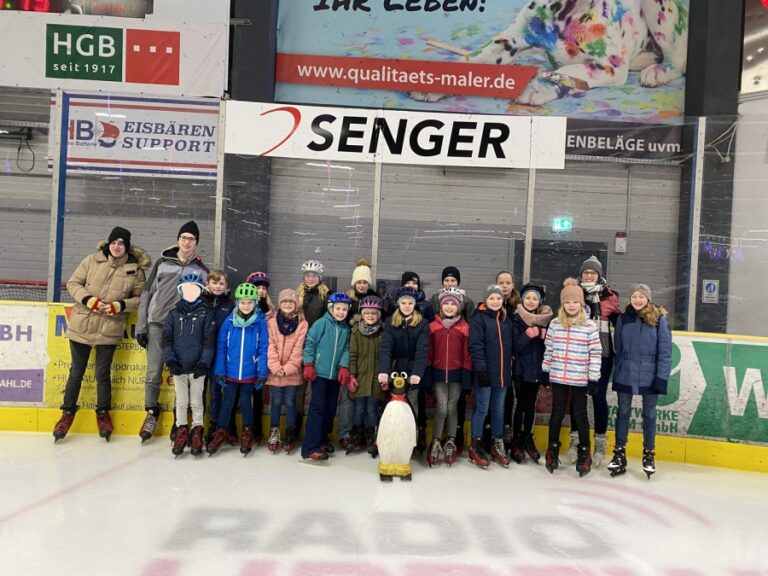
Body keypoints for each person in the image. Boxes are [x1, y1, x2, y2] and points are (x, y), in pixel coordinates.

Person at [53, 226, 149, 442]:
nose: (117, 246)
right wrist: (89, 300)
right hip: (82, 326)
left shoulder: (135, 270)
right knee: (76, 372)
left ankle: (103, 413)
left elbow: (140, 299)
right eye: (114, 242)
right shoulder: (91, 261)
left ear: (127, 246)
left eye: (121, 243)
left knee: (102, 374)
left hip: (109, 327)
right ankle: (67, 412)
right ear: (108, 244)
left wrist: (119, 305)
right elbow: (73, 283)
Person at [136, 220, 208, 443]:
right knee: (154, 371)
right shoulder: (161, 263)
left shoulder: (201, 270)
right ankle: (151, 413)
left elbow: (203, 300)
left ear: (196, 243)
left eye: (192, 239)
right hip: (157, 323)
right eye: (184, 237)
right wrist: (142, 325)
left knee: (182, 374)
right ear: (178, 240)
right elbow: (147, 295)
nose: (187, 242)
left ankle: (181, 423)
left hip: (184, 328)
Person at [607, 283, 672, 479]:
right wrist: (620, 370)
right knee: (623, 412)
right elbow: (617, 347)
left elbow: (665, 352)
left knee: (650, 415)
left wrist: (661, 378)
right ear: (630, 298)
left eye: (641, 296)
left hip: (650, 375)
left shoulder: (658, 319)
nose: (637, 299)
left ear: (648, 298)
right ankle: (619, 453)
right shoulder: (623, 319)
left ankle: (649, 454)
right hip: (626, 373)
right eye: (634, 296)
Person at [542, 279, 602, 476]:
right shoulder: (555, 324)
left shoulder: (589, 326)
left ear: (581, 303)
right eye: (567, 302)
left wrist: (593, 378)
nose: (571, 305)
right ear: (562, 304)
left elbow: (595, 353)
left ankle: (584, 452)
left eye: (575, 302)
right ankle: (553, 449)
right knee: (557, 413)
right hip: (559, 375)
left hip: (579, 378)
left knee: (580, 415)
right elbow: (549, 348)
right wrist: (546, 370)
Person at [566, 255, 621, 467]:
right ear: (581, 274)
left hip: (603, 353)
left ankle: (599, 441)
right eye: (586, 272)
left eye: (593, 272)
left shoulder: (609, 297)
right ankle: (576, 440)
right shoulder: (574, 294)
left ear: (599, 275)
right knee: (576, 397)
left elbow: (621, 323)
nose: (589, 275)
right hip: (578, 352)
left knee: (598, 397)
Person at [207, 283, 269, 457]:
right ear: (237, 303)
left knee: (246, 404)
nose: (246, 306)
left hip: (250, 373)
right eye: (242, 302)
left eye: (249, 302)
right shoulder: (229, 321)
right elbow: (221, 347)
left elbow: (263, 348)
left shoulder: (260, 323)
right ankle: (221, 430)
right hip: (230, 372)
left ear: (255, 303)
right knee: (227, 403)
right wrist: (220, 370)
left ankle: (247, 432)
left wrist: (262, 371)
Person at [162, 271, 216, 457]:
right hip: (179, 367)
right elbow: (167, 340)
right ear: (181, 290)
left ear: (200, 290)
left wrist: (203, 364)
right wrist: (170, 361)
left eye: (194, 288)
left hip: (197, 368)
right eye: (186, 288)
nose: (190, 292)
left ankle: (197, 430)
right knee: (182, 401)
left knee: (196, 401)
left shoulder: (206, 314)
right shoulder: (173, 314)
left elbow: (209, 342)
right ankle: (181, 430)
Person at [301, 292, 354, 461]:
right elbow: (310, 343)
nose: (340, 312)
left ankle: (322, 439)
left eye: (344, 309)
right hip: (319, 374)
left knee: (330, 408)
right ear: (331, 308)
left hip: (334, 376)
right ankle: (310, 447)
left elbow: (346, 348)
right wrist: (309, 363)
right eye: (337, 308)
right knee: (317, 408)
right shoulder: (322, 323)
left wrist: (344, 367)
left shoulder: (345, 328)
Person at [468, 285, 513, 468]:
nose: (495, 301)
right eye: (492, 298)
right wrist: (481, 371)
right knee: (482, 409)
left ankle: (496, 443)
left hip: (503, 375)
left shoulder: (506, 319)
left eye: (498, 298)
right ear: (486, 300)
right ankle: (476, 444)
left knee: (499, 410)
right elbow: (476, 347)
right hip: (485, 374)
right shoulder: (479, 319)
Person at [426, 287, 472, 467]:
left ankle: (451, 440)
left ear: (459, 307)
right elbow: (429, 353)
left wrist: (466, 378)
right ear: (441, 306)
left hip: (457, 375)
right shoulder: (433, 327)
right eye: (447, 303)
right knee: (442, 408)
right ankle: (436, 441)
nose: (450, 306)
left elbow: (467, 355)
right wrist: (428, 376)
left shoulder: (464, 327)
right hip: (438, 374)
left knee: (452, 408)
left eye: (454, 303)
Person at [378, 286, 430, 442]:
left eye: (410, 303)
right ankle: (385, 437)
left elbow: (422, 351)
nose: (407, 306)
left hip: (412, 369)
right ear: (398, 304)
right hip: (395, 367)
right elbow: (386, 348)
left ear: (414, 305)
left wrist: (417, 373)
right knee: (391, 402)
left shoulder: (422, 323)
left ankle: (411, 437)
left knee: (412, 401)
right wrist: (384, 371)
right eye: (403, 303)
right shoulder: (390, 322)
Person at [510, 283, 553, 464]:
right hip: (520, 370)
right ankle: (516, 439)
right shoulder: (516, 318)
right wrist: (528, 335)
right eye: (527, 297)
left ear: (540, 302)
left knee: (530, 406)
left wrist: (544, 337)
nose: (530, 301)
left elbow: (550, 348)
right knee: (520, 404)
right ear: (522, 299)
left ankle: (528, 436)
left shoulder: (546, 320)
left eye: (534, 298)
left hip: (536, 369)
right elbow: (514, 346)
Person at [339, 259, 376, 450]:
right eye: (359, 282)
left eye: (364, 282)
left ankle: (368, 432)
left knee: (368, 404)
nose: (361, 285)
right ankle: (350, 432)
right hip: (350, 349)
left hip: (367, 356)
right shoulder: (347, 300)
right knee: (351, 399)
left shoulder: (375, 300)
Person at [266, 288, 308, 455]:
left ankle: (291, 432)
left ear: (296, 304)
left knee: (291, 402)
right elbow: (270, 346)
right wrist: (276, 367)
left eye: (291, 302)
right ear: (279, 304)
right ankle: (274, 431)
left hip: (293, 373)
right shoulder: (271, 323)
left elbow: (299, 348)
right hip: (274, 372)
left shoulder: (302, 324)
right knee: (275, 402)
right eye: (284, 302)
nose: (288, 304)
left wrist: (289, 368)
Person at [296, 259, 330, 442]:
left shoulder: (325, 295)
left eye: (314, 275)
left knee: (318, 394)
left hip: (318, 348)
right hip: (300, 347)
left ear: (320, 277)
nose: (310, 278)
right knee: (299, 391)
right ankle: (295, 429)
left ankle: (319, 433)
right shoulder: (298, 294)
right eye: (307, 275)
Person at [347, 295, 385, 455]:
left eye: (374, 314)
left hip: (376, 378)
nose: (370, 316)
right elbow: (352, 355)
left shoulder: (383, 332)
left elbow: (386, 356)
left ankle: (371, 434)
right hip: (361, 378)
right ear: (362, 314)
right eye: (367, 313)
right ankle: (357, 434)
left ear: (379, 315)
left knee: (371, 409)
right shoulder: (356, 331)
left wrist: (385, 377)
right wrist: (352, 376)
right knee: (359, 409)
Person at [200, 270, 235, 444]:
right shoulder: (198, 300)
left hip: (219, 354)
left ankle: (215, 426)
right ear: (207, 283)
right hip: (199, 353)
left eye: (221, 283)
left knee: (215, 392)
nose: (218, 286)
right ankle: (195, 427)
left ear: (226, 286)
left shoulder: (230, 305)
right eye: (214, 283)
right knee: (198, 391)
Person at [246, 270, 274, 444]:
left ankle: (256, 429)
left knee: (257, 396)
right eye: (257, 287)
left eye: (263, 288)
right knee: (241, 396)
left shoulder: (271, 311)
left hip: (261, 359)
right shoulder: (245, 310)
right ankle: (239, 429)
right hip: (245, 358)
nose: (261, 291)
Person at [496, 270, 522, 452]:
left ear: (513, 285)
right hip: (496, 360)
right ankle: (492, 432)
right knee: (496, 398)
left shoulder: (519, 308)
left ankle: (508, 431)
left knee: (511, 396)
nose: (505, 286)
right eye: (501, 282)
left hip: (515, 360)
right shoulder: (491, 304)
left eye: (508, 282)